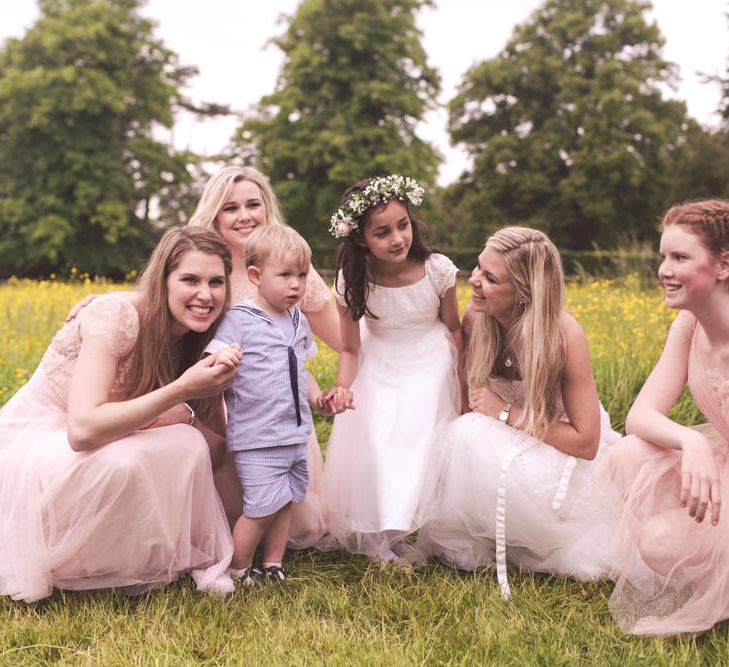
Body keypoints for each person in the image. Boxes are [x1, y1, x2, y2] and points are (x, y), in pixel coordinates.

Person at [0, 227, 242, 602]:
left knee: (185, 440)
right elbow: (81, 432)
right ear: (162, 282)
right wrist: (179, 392)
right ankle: (73, 557)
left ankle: (127, 556)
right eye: (189, 280)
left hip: (104, 436)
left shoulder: (205, 341)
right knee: (125, 459)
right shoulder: (116, 316)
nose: (205, 295)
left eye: (216, 282)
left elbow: (215, 454)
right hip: (40, 442)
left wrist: (188, 415)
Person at [415, 226, 620, 598]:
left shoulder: (563, 335)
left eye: (490, 278)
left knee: (475, 432)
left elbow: (586, 442)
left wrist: (506, 412)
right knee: (465, 433)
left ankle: (534, 534)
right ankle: (490, 530)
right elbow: (465, 404)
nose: (474, 281)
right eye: (478, 268)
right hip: (505, 439)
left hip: (561, 453)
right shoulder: (478, 320)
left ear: (525, 292)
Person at [189, 165, 339, 548]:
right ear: (215, 216)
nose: (244, 216)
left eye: (253, 204)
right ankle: (232, 542)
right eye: (230, 208)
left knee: (285, 491)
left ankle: (268, 550)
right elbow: (160, 297)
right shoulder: (203, 263)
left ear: (266, 207)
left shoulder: (292, 272)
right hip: (219, 399)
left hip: (277, 406)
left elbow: (341, 338)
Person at [605, 199, 729, 636]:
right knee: (629, 454)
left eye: (679, 257)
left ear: (723, 265)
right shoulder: (689, 327)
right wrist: (692, 441)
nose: (664, 269)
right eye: (663, 257)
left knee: (661, 540)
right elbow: (640, 415)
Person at [323, 174, 462, 561]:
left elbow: (454, 328)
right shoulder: (352, 280)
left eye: (402, 226)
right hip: (380, 359)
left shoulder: (436, 269)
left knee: (417, 440)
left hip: (430, 358)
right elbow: (350, 349)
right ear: (360, 239)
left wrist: (464, 384)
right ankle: (375, 533)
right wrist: (343, 387)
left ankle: (402, 527)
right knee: (377, 436)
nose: (397, 238)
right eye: (382, 232)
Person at [206, 225, 343, 584]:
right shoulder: (239, 319)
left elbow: (302, 367)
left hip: (295, 433)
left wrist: (316, 397)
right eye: (285, 275)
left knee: (285, 501)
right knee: (260, 508)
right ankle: (236, 568)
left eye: (301, 275)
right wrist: (224, 359)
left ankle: (273, 563)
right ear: (255, 276)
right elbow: (212, 358)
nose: (296, 284)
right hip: (258, 435)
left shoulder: (298, 319)